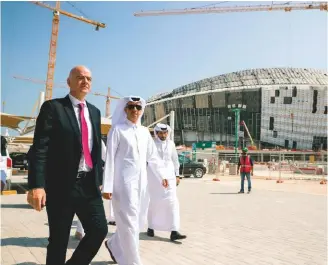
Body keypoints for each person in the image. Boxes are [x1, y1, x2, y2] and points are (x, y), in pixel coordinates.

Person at [27, 66, 108, 265]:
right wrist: (37, 185)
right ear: (69, 82)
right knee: (59, 241)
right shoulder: (53, 108)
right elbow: (40, 148)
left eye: (88, 78)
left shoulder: (95, 112)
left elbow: (95, 149)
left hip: (88, 185)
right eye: (79, 77)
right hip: (60, 186)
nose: (85, 81)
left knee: (99, 230)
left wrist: (98, 178)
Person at [102, 96, 168, 265]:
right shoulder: (117, 130)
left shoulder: (145, 132)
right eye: (131, 107)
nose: (135, 110)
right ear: (125, 109)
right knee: (130, 223)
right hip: (123, 184)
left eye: (138, 107)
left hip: (142, 183)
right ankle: (133, 262)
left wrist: (163, 176)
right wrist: (107, 185)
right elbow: (109, 158)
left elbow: (153, 157)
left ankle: (114, 244)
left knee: (138, 222)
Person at [147, 123, 187, 241]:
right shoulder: (151, 144)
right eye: (160, 133)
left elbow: (175, 160)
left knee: (173, 202)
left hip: (170, 177)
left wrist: (177, 175)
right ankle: (151, 227)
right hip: (154, 177)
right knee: (154, 203)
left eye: (165, 133)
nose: (163, 135)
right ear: (156, 133)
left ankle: (174, 231)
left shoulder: (171, 144)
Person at [74, 139, 115, 241]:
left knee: (85, 205)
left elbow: (105, 158)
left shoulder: (96, 138)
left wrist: (101, 179)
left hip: (90, 177)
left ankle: (80, 230)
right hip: (69, 178)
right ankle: (80, 230)